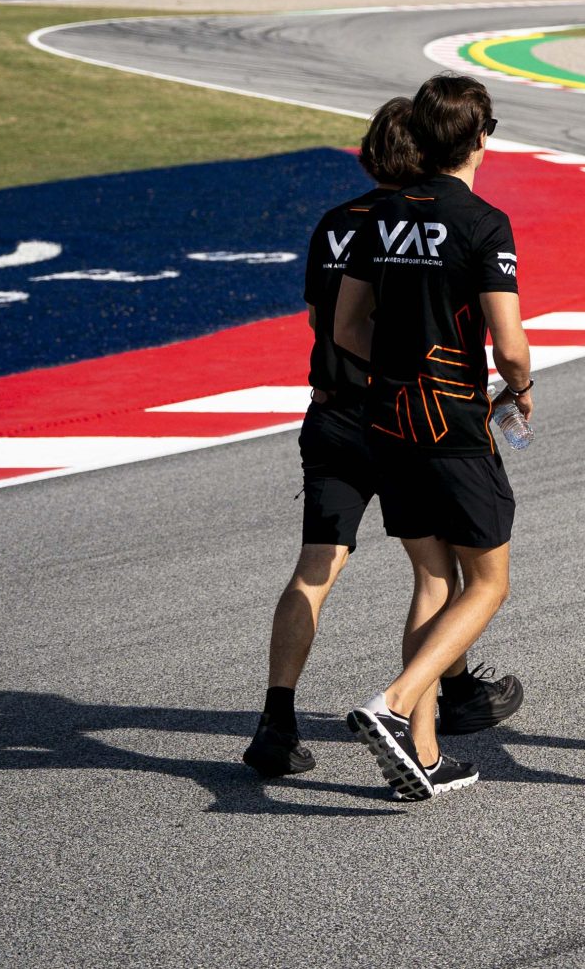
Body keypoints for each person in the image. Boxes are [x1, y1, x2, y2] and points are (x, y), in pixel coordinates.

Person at [242, 97, 523, 779]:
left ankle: (281, 717)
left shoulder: (343, 223)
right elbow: (505, 340)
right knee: (467, 574)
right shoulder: (466, 221)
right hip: (422, 412)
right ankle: (415, 701)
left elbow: (328, 319)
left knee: (325, 566)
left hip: (339, 408)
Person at [333, 74, 534, 801]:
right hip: (452, 420)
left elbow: (347, 326)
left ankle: (421, 752)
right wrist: (521, 388)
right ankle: (392, 701)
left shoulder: (379, 215)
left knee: (431, 579)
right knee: (489, 581)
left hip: (387, 418)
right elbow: (509, 347)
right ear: (483, 135)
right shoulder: (484, 221)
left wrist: (390, 369)